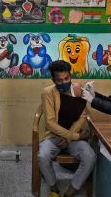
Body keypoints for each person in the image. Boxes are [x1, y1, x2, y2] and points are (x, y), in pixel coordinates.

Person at [38, 60, 95, 197]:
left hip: (73, 137)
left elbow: (82, 116)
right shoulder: (48, 93)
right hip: (53, 137)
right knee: (42, 156)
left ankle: (71, 191)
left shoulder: (78, 91)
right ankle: (54, 188)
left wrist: (69, 137)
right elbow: (50, 123)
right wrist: (74, 136)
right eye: (59, 80)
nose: (64, 82)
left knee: (90, 156)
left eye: (66, 78)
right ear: (53, 80)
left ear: (70, 76)